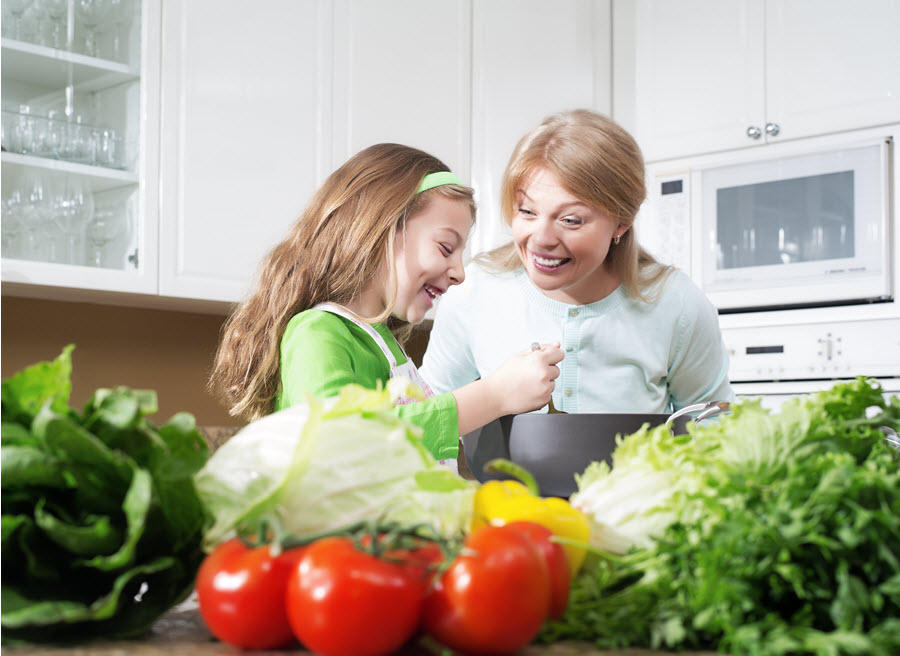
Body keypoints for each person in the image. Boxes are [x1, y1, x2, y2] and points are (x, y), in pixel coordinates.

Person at [209, 143, 564, 466]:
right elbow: (341, 445)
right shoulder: (316, 334)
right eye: (445, 247)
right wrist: (493, 395)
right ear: (380, 229)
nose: (459, 273)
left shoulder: (383, 345)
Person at [421, 110, 734, 415]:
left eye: (571, 220)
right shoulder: (473, 289)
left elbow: (713, 422)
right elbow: (425, 415)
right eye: (527, 212)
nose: (541, 238)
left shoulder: (676, 304)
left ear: (621, 223)